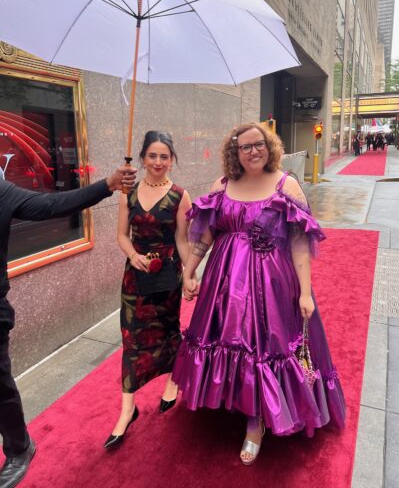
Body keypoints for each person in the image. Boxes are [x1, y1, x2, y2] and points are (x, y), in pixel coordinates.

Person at [172, 123, 345, 465]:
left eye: (260, 144)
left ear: (270, 147)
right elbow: (204, 235)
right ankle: (231, 397)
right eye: (245, 146)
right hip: (224, 285)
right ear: (234, 153)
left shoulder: (287, 185)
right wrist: (189, 269)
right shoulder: (221, 186)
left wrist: (306, 293)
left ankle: (257, 422)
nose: (254, 151)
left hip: (272, 287)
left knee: (266, 348)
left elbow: (298, 242)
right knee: (227, 343)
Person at [0, 165, 137, 488]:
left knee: (0, 385)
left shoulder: (2, 192)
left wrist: (108, 184)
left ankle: (19, 449)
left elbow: (52, 206)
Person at [104, 131, 191, 449]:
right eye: (152, 156)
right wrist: (133, 255)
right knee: (132, 339)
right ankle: (128, 409)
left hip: (168, 276)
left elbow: (183, 240)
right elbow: (121, 235)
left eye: (164, 156)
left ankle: (172, 380)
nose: (158, 162)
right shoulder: (128, 193)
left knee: (169, 331)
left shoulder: (181, 195)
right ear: (142, 159)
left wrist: (191, 274)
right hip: (135, 277)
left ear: (172, 160)